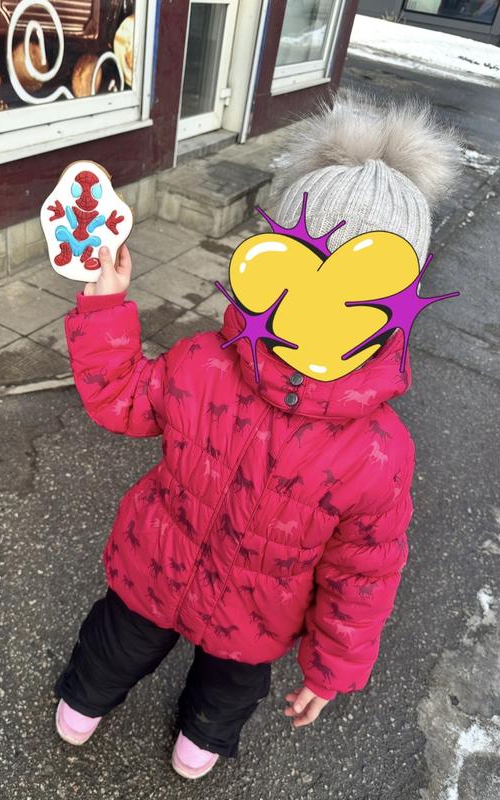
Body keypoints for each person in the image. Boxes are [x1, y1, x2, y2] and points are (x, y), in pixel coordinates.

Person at [54, 92, 460, 780]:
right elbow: (122, 398)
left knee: (227, 690)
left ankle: (203, 733)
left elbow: (364, 569)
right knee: (113, 645)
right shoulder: (204, 364)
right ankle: (86, 696)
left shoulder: (377, 451)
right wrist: (104, 306)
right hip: (155, 566)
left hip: (254, 616)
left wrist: (330, 668)